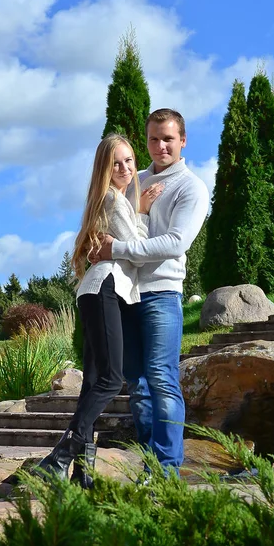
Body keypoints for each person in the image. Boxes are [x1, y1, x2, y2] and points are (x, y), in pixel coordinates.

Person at [35, 133, 162, 488]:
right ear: (104, 170)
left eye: (129, 161)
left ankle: (82, 474)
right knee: (109, 378)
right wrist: (143, 211)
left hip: (94, 290)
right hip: (106, 287)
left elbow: (121, 245)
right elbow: (135, 249)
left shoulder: (110, 200)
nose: (125, 168)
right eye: (116, 163)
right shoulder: (116, 202)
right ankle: (59, 458)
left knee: (92, 382)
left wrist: (134, 210)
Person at [91, 109, 209, 476]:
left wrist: (118, 250)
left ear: (183, 141)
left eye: (168, 139)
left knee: (161, 377)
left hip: (161, 293)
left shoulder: (191, 187)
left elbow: (175, 243)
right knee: (138, 384)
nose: (160, 146)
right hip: (126, 295)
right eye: (154, 139)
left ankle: (167, 469)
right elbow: (112, 224)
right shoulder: (134, 178)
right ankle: (147, 461)